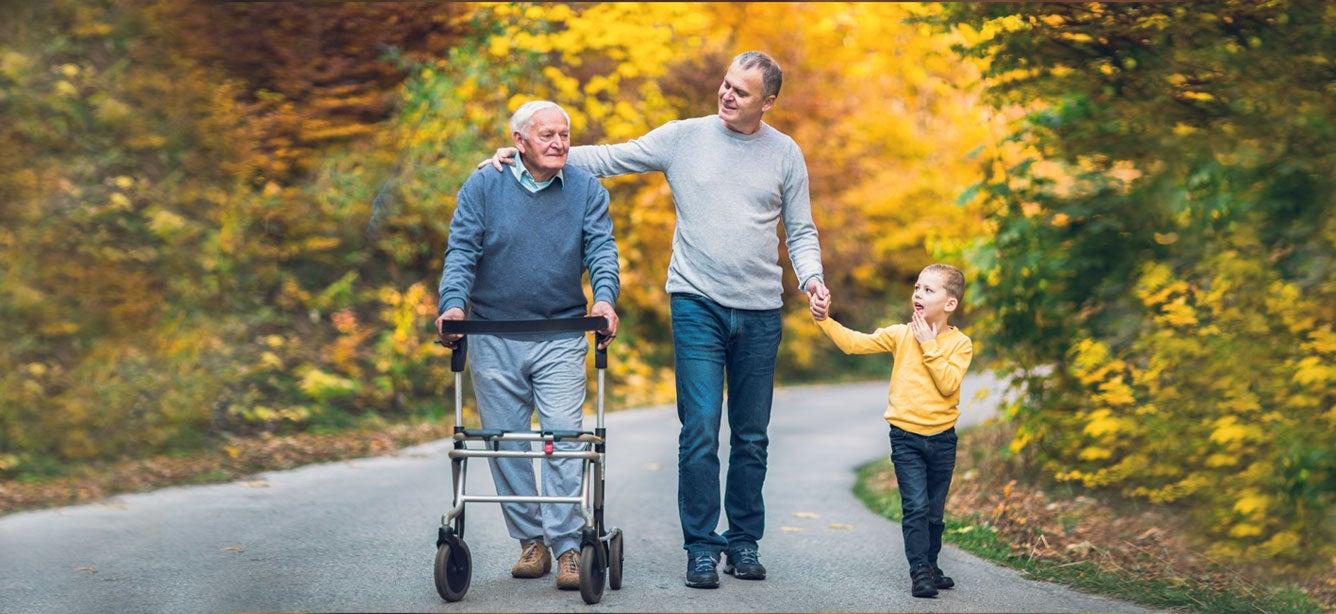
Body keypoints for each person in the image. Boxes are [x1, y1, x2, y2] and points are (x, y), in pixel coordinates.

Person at [481, 50, 829, 588]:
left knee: (751, 435)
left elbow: (801, 230)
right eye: (726, 83)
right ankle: (702, 547)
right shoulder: (683, 137)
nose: (727, 94)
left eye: (741, 91)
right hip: (695, 301)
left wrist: (811, 279)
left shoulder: (785, 152)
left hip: (761, 310)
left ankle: (743, 541)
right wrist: (528, 153)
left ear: (768, 102)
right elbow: (609, 158)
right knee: (700, 429)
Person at [436, 100, 620, 591]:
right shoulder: (484, 184)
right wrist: (452, 306)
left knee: (563, 438)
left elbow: (601, 249)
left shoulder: (586, 189)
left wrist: (604, 299)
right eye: (547, 135)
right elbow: (462, 250)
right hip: (493, 332)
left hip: (561, 333)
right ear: (519, 142)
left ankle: (567, 548)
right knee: (506, 443)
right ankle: (531, 542)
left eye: (565, 134)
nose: (559, 143)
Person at [812, 264, 973, 598]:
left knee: (934, 511)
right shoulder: (901, 334)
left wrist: (929, 344)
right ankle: (920, 572)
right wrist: (825, 320)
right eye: (917, 287)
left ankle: (931, 564)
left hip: (943, 439)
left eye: (928, 290)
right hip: (905, 438)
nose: (918, 294)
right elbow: (855, 343)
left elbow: (948, 384)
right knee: (915, 507)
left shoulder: (961, 344)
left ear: (950, 303)